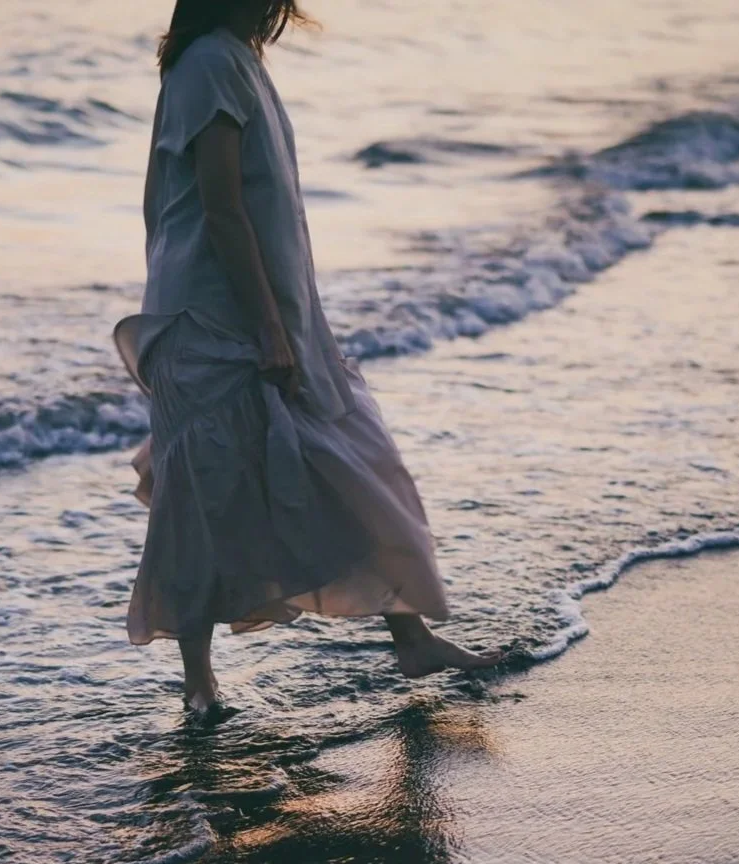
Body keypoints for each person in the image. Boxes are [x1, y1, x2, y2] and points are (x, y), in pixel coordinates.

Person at [115, 0, 501, 720]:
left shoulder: (233, 60)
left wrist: (288, 320)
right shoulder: (206, 66)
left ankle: (411, 637)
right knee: (201, 499)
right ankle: (198, 683)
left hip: (268, 311)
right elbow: (221, 208)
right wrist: (267, 327)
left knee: (351, 466)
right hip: (212, 319)